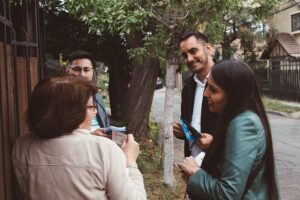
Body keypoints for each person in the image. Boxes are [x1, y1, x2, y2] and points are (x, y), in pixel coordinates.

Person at [12, 75, 147, 200]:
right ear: (71, 113)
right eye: (90, 107)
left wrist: (88, 136)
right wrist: (130, 161)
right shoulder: (104, 149)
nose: (95, 112)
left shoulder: (22, 145)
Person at [178, 60, 280, 199]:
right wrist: (213, 148)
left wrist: (195, 172)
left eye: (213, 90)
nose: (206, 94)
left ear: (233, 95)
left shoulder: (244, 124)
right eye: (207, 87)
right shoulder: (237, 117)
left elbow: (228, 194)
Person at [173, 32, 218, 164]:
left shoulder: (225, 80)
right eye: (185, 55)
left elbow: (236, 127)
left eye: (193, 51)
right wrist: (182, 132)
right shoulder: (188, 87)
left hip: (219, 164)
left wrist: (215, 143)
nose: (189, 58)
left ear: (208, 48)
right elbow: (189, 125)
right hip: (193, 164)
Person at [66, 50, 110, 136]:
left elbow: (105, 125)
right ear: (67, 70)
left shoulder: (97, 96)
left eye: (86, 70)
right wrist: (91, 135)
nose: (82, 74)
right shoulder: (59, 97)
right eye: (76, 69)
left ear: (92, 72)